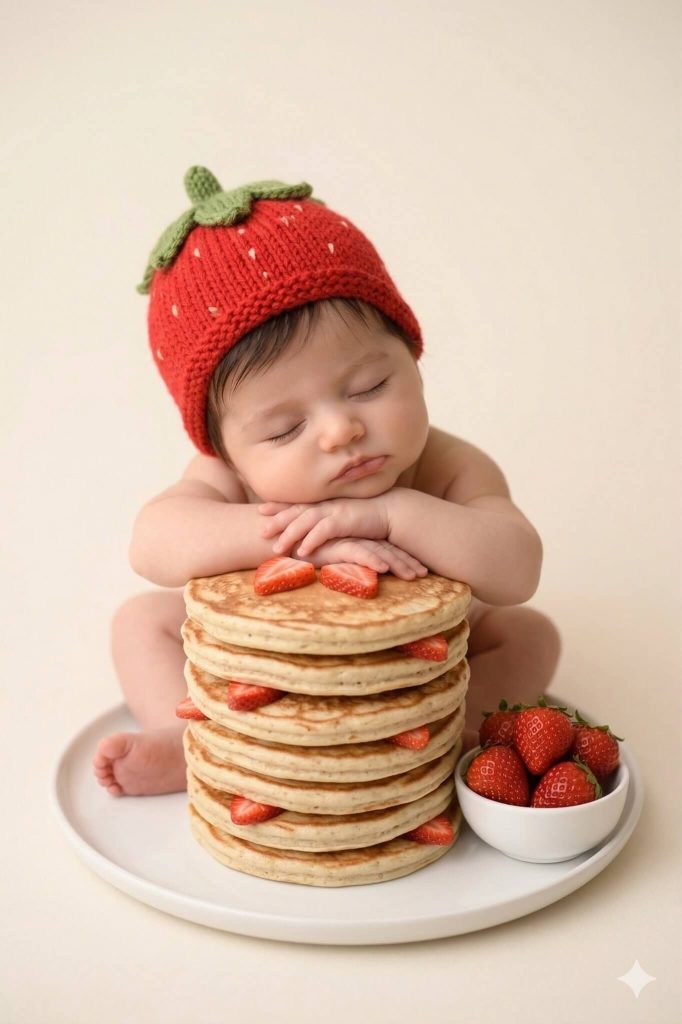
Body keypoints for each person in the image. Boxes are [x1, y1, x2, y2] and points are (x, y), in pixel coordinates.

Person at [93, 167, 561, 797]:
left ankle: (455, 736)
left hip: (418, 663)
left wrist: (394, 515)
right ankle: (193, 738)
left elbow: (518, 569)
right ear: (227, 453)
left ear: (413, 358)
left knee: (531, 634)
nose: (341, 430)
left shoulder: (448, 466)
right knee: (138, 623)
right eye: (285, 428)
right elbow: (152, 543)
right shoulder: (230, 478)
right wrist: (301, 536)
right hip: (264, 669)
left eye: (369, 387)